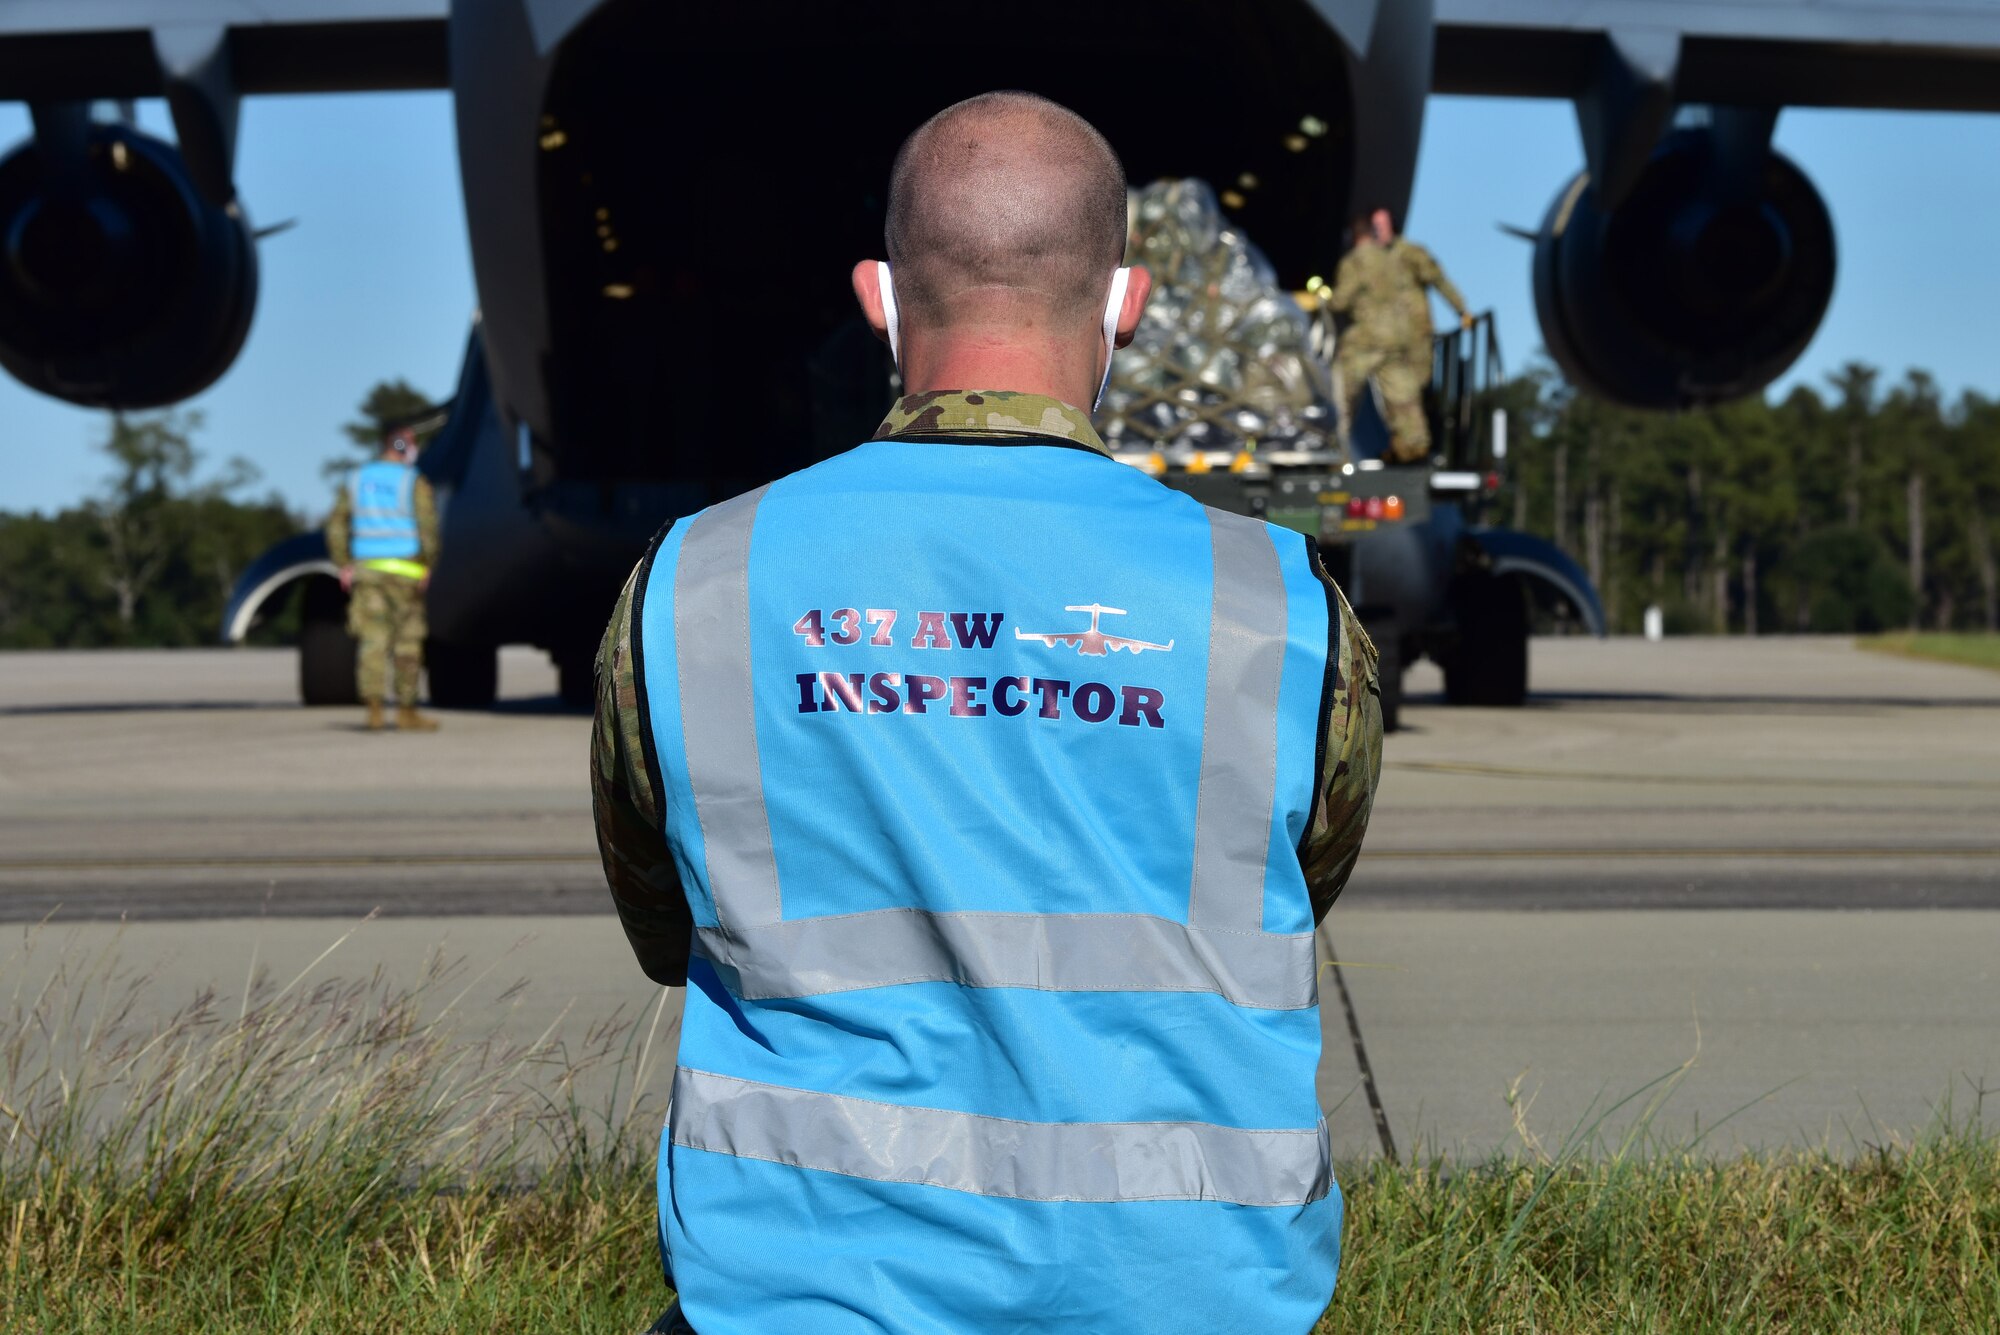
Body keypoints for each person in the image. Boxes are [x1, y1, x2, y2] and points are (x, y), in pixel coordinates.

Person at [591, 91, 1383, 1334]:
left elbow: (665, 919)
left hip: (806, 1299)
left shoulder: (694, 582)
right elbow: (1292, 886)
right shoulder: (1276, 603)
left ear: (878, 298)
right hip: (1192, 1299)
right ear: (1126, 304)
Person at [1325, 207, 1473, 463]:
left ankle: (1333, 444)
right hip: (1396, 342)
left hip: (1390, 340)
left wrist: (1461, 309)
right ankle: (1412, 445)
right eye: (1375, 226)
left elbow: (1342, 300)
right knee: (1404, 396)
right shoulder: (1389, 259)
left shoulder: (1399, 255)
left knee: (1345, 393)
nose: (1379, 230)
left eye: (1382, 225)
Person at [326, 425, 440, 732]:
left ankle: (374, 710)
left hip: (368, 572)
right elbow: (428, 527)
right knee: (408, 641)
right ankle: (406, 710)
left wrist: (343, 564)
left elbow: (336, 524)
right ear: (402, 446)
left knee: (372, 640)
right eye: (412, 445)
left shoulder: (355, 480)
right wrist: (428, 564)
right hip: (406, 573)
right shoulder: (412, 481)